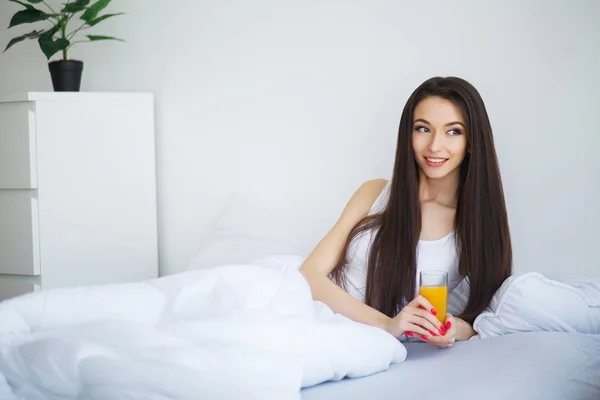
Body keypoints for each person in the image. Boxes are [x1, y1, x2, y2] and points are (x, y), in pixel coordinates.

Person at [299, 76, 512, 349]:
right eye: (423, 129)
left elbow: (487, 314)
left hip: (359, 342)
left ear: (472, 142)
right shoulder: (374, 193)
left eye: (453, 131)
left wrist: (461, 329)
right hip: (315, 316)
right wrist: (386, 325)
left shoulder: (475, 227)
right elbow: (309, 275)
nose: (435, 145)